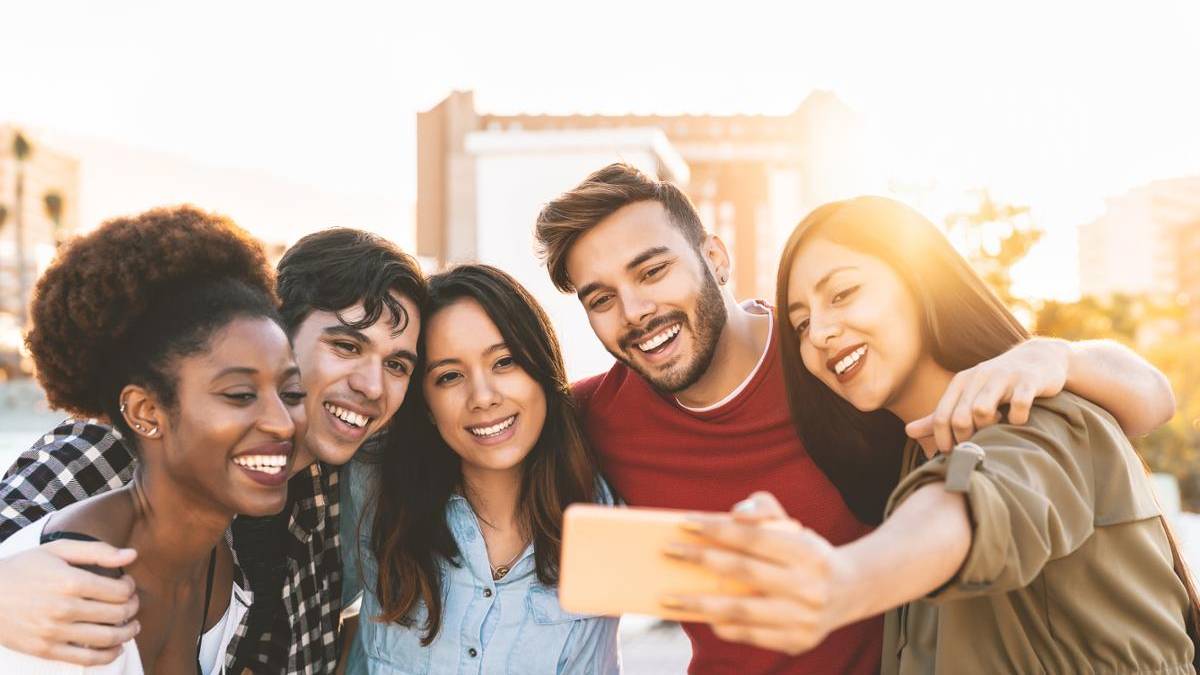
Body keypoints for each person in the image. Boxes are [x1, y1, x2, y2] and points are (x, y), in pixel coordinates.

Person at [533, 164, 1178, 674]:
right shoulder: (596, 416)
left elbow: (985, 494)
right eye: (601, 299)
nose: (635, 310)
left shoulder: (854, 381)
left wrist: (1058, 355)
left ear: (716, 258)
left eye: (653, 270)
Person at [0, 227, 427, 673]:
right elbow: (16, 527)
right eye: (346, 346)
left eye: (396, 365)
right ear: (278, 332)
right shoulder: (134, 439)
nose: (372, 386)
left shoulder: (327, 485)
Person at [0, 206, 305, 673]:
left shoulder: (221, 568)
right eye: (241, 395)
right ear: (146, 412)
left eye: (291, 393)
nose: (283, 424)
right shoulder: (57, 595)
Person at [340, 264, 620, 674]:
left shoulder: (602, 515)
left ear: (542, 370)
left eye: (504, 362)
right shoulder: (375, 479)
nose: (483, 397)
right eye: (450, 376)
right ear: (426, 405)